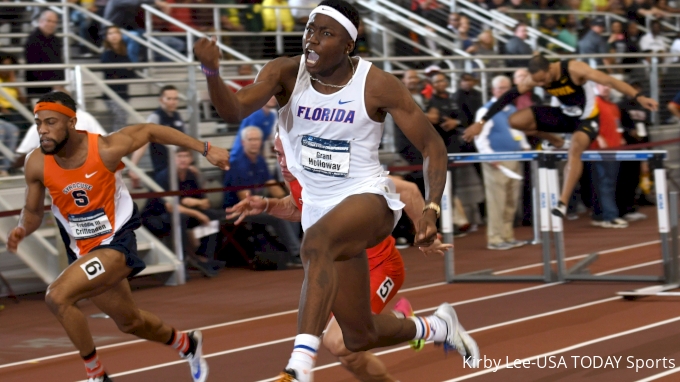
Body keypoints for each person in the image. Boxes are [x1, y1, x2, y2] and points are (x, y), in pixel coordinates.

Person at [193, 1, 479, 381]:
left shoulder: (376, 84)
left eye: (325, 33)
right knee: (359, 336)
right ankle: (439, 327)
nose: (311, 40)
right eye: (310, 29)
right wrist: (211, 71)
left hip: (368, 195)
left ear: (348, 45)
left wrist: (430, 208)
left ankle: (298, 367)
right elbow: (234, 110)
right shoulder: (284, 72)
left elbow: (433, 146)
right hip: (318, 206)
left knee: (315, 246)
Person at [6, 91, 231, 382]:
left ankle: (97, 375)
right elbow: (33, 211)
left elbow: (150, 130)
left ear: (72, 123)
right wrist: (23, 228)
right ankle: (187, 344)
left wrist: (205, 147)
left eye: (50, 122)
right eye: (38, 123)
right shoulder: (36, 163)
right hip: (84, 252)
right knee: (130, 322)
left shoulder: (106, 149)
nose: (42, 130)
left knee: (57, 296)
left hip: (115, 243)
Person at [226, 133, 452, 381]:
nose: (281, 162)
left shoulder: (335, 172)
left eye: (286, 154)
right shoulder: (296, 177)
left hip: (380, 265)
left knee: (338, 340)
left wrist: (428, 235)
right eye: (277, 154)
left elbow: (408, 191)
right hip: (345, 270)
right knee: (351, 354)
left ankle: (425, 324)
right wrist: (267, 205)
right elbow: (298, 205)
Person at [463, 54, 658, 220]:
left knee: (575, 148)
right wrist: (481, 122)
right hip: (564, 116)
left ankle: (562, 202)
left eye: (543, 80)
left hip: (586, 119)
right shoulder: (536, 78)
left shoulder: (574, 69)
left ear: (550, 68)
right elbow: (508, 96)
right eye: (537, 82)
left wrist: (638, 97)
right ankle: (554, 139)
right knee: (514, 121)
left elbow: (610, 81)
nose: (541, 85)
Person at [223, 126, 302, 265]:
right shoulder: (236, 164)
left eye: (257, 139)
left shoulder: (260, 160)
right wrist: (273, 204)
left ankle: (293, 251)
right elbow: (245, 199)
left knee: (293, 208)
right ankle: (296, 254)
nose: (254, 142)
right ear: (243, 143)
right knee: (279, 217)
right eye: (251, 139)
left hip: (257, 204)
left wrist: (290, 199)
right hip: (240, 209)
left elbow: (272, 185)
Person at [142, 146, 225, 277]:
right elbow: (170, 206)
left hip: (180, 215)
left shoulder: (191, 175)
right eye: (179, 156)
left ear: (191, 159)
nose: (183, 160)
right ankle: (184, 261)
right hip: (154, 217)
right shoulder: (164, 176)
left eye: (186, 156)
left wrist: (196, 203)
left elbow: (205, 203)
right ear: (173, 159)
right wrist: (197, 213)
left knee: (213, 215)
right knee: (182, 218)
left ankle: (204, 258)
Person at [473, 75, 529, 250]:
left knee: (511, 200)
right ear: (494, 90)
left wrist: (525, 147)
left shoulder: (511, 110)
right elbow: (479, 137)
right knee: (497, 200)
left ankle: (507, 235)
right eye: (501, 88)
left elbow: (519, 132)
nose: (505, 91)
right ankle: (495, 238)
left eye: (508, 88)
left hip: (515, 157)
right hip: (497, 160)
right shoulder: (486, 111)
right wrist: (490, 157)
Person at [589, 83, 628, 228]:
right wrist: (598, 137)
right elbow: (588, 123)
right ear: (596, 87)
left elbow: (617, 124)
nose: (606, 87)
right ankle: (609, 216)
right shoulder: (594, 103)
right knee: (605, 182)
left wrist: (621, 137)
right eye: (602, 85)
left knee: (610, 182)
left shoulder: (613, 106)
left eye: (607, 86)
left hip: (615, 148)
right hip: (600, 150)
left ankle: (603, 214)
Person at [130, 85, 184, 186]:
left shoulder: (177, 116)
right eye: (169, 99)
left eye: (175, 99)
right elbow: (142, 143)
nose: (173, 102)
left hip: (179, 168)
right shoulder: (155, 117)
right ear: (161, 100)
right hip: (163, 169)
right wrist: (133, 167)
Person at [101, 25, 135, 131]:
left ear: (120, 35)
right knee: (119, 121)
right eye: (110, 33)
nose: (113, 35)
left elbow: (132, 73)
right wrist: (125, 70)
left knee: (122, 122)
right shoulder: (106, 54)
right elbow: (111, 71)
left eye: (116, 32)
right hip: (112, 95)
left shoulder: (124, 54)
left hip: (123, 93)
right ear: (107, 37)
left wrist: (122, 71)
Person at [24, 10, 64, 97]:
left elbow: (59, 62)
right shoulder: (32, 40)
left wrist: (60, 84)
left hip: (56, 85)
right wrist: (54, 85)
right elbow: (34, 67)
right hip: (39, 87)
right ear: (40, 21)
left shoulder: (55, 40)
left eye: (54, 22)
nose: (52, 24)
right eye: (49, 21)